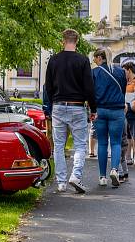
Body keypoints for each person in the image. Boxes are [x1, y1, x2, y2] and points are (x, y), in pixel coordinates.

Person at [43, 29, 96, 194]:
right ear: (77, 42)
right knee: (80, 144)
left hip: (59, 105)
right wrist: (93, 108)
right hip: (77, 105)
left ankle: (61, 182)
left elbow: (48, 87)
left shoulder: (54, 60)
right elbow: (89, 87)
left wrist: (51, 105)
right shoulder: (82, 60)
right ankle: (76, 175)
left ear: (62, 41)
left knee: (59, 145)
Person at [92, 47, 126, 188]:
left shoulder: (94, 72)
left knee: (102, 143)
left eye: (94, 58)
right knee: (116, 143)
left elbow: (91, 92)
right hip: (117, 110)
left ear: (100, 58)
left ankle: (102, 177)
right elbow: (122, 90)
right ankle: (114, 170)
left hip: (100, 110)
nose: (93, 60)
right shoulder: (120, 72)